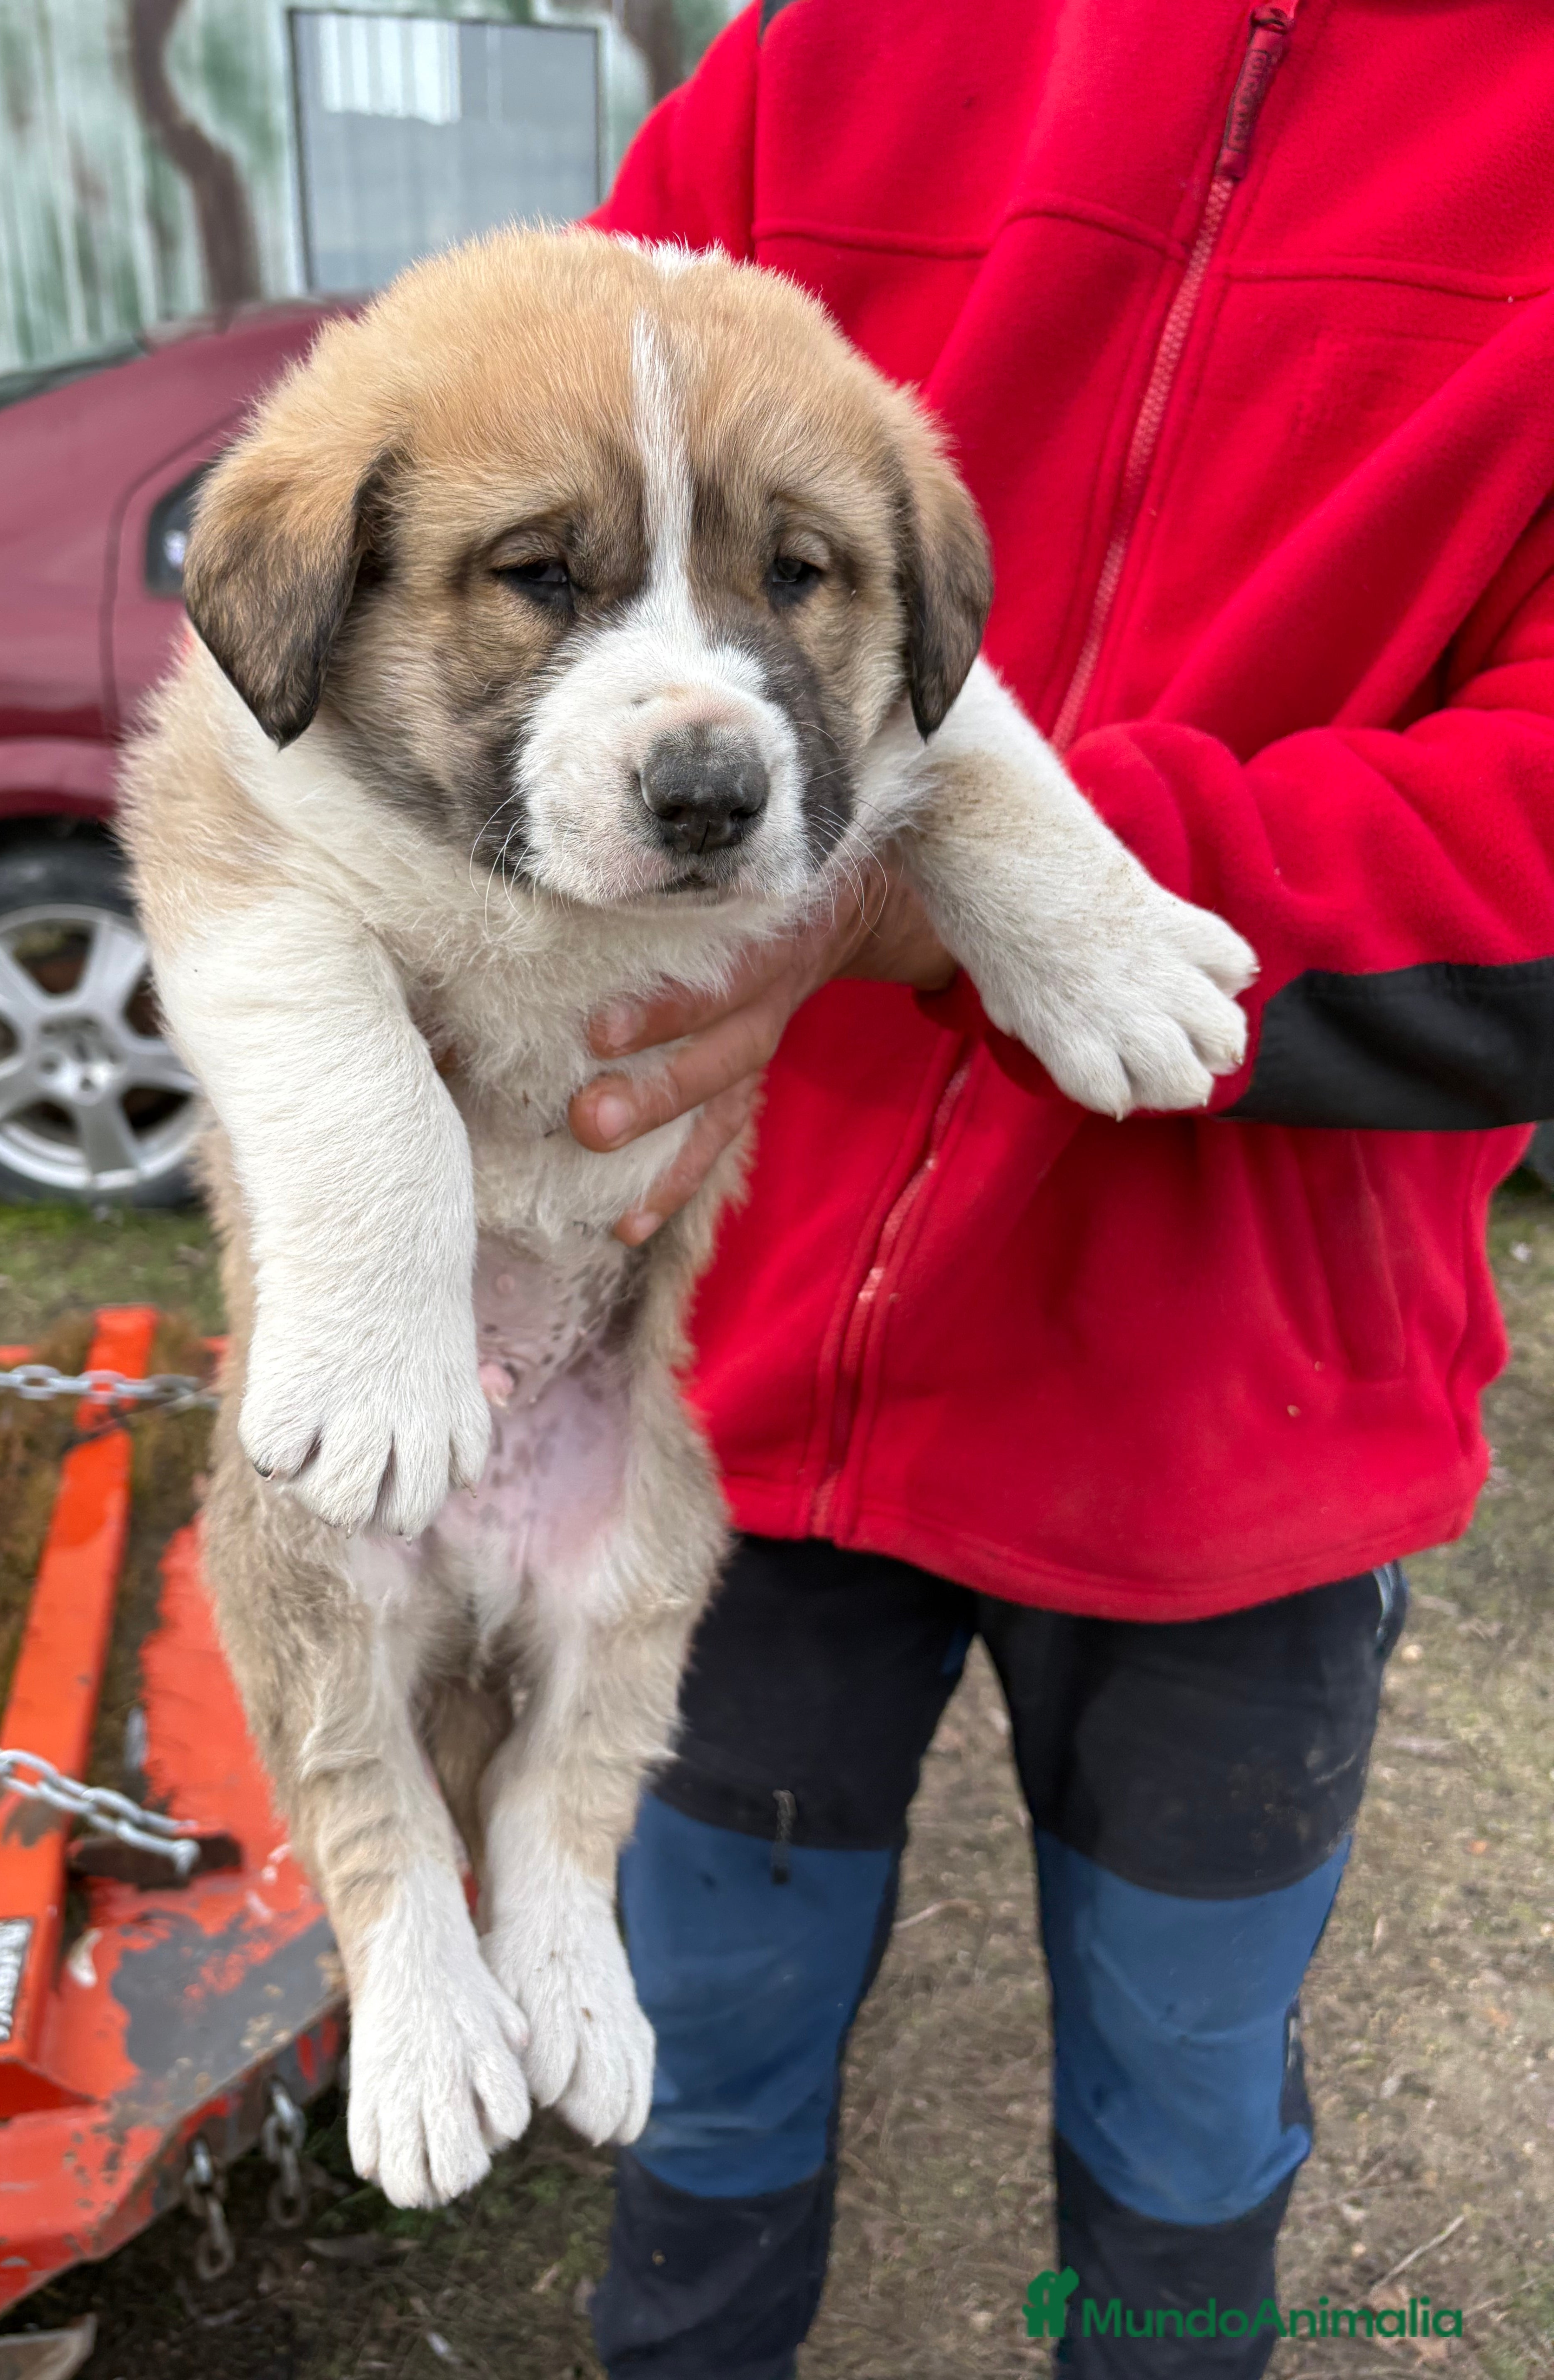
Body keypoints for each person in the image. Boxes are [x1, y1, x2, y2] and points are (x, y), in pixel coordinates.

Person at [562, 4, 1554, 2374]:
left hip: (1236, 1423)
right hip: (744, 1362)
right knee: (700, 2056)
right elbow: (537, 517)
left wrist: (974, 880)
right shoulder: (831, 54)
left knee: (1183, 2133)